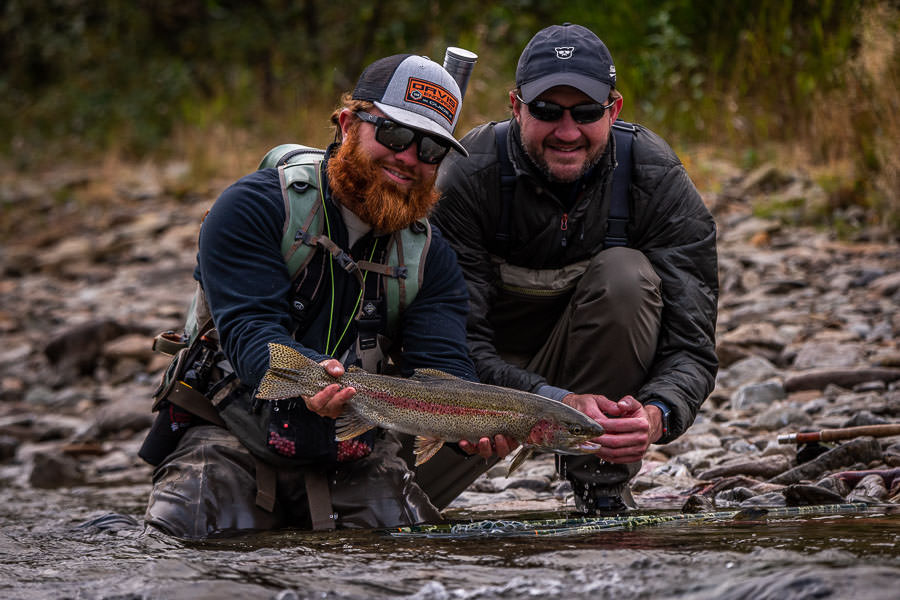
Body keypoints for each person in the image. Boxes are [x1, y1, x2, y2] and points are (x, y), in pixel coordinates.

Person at [142, 54, 484, 538]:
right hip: (229, 431)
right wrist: (311, 380)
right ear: (347, 124)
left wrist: (471, 429)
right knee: (180, 548)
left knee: (411, 555)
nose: (409, 157)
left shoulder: (433, 257)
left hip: (355, 445)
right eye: (394, 135)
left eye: (431, 149)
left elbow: (442, 366)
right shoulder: (252, 207)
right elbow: (249, 331)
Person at [432, 23, 719, 513]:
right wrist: (548, 400)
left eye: (586, 112)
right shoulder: (468, 175)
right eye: (546, 111)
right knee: (364, 515)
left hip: (586, 379)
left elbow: (692, 343)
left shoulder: (655, 176)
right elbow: (452, 342)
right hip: (482, 391)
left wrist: (655, 414)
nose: (567, 132)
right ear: (515, 106)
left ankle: (601, 489)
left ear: (614, 109)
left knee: (626, 276)